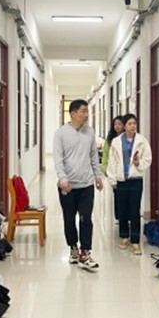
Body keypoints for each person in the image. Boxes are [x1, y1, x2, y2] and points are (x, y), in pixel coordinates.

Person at [53, 99, 103, 269]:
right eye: (83, 111)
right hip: (67, 186)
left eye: (87, 111)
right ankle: (73, 247)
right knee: (69, 219)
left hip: (86, 184)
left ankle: (85, 252)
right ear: (73, 114)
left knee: (86, 218)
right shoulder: (61, 133)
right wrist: (63, 179)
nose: (86, 115)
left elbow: (93, 155)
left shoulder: (90, 132)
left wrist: (98, 176)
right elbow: (58, 159)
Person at [106, 113, 152, 255]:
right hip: (121, 180)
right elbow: (112, 162)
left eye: (134, 124)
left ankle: (135, 241)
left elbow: (148, 159)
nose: (133, 126)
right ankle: (124, 237)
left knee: (134, 210)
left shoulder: (142, 141)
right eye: (130, 124)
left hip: (135, 180)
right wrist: (112, 180)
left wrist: (138, 164)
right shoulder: (116, 142)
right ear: (124, 126)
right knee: (122, 210)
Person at [102, 115, 125, 221]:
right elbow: (105, 154)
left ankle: (127, 217)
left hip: (124, 171)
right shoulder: (110, 139)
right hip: (113, 170)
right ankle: (119, 216)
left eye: (119, 124)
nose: (117, 126)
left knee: (125, 195)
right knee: (117, 194)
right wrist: (105, 167)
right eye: (115, 124)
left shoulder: (127, 138)